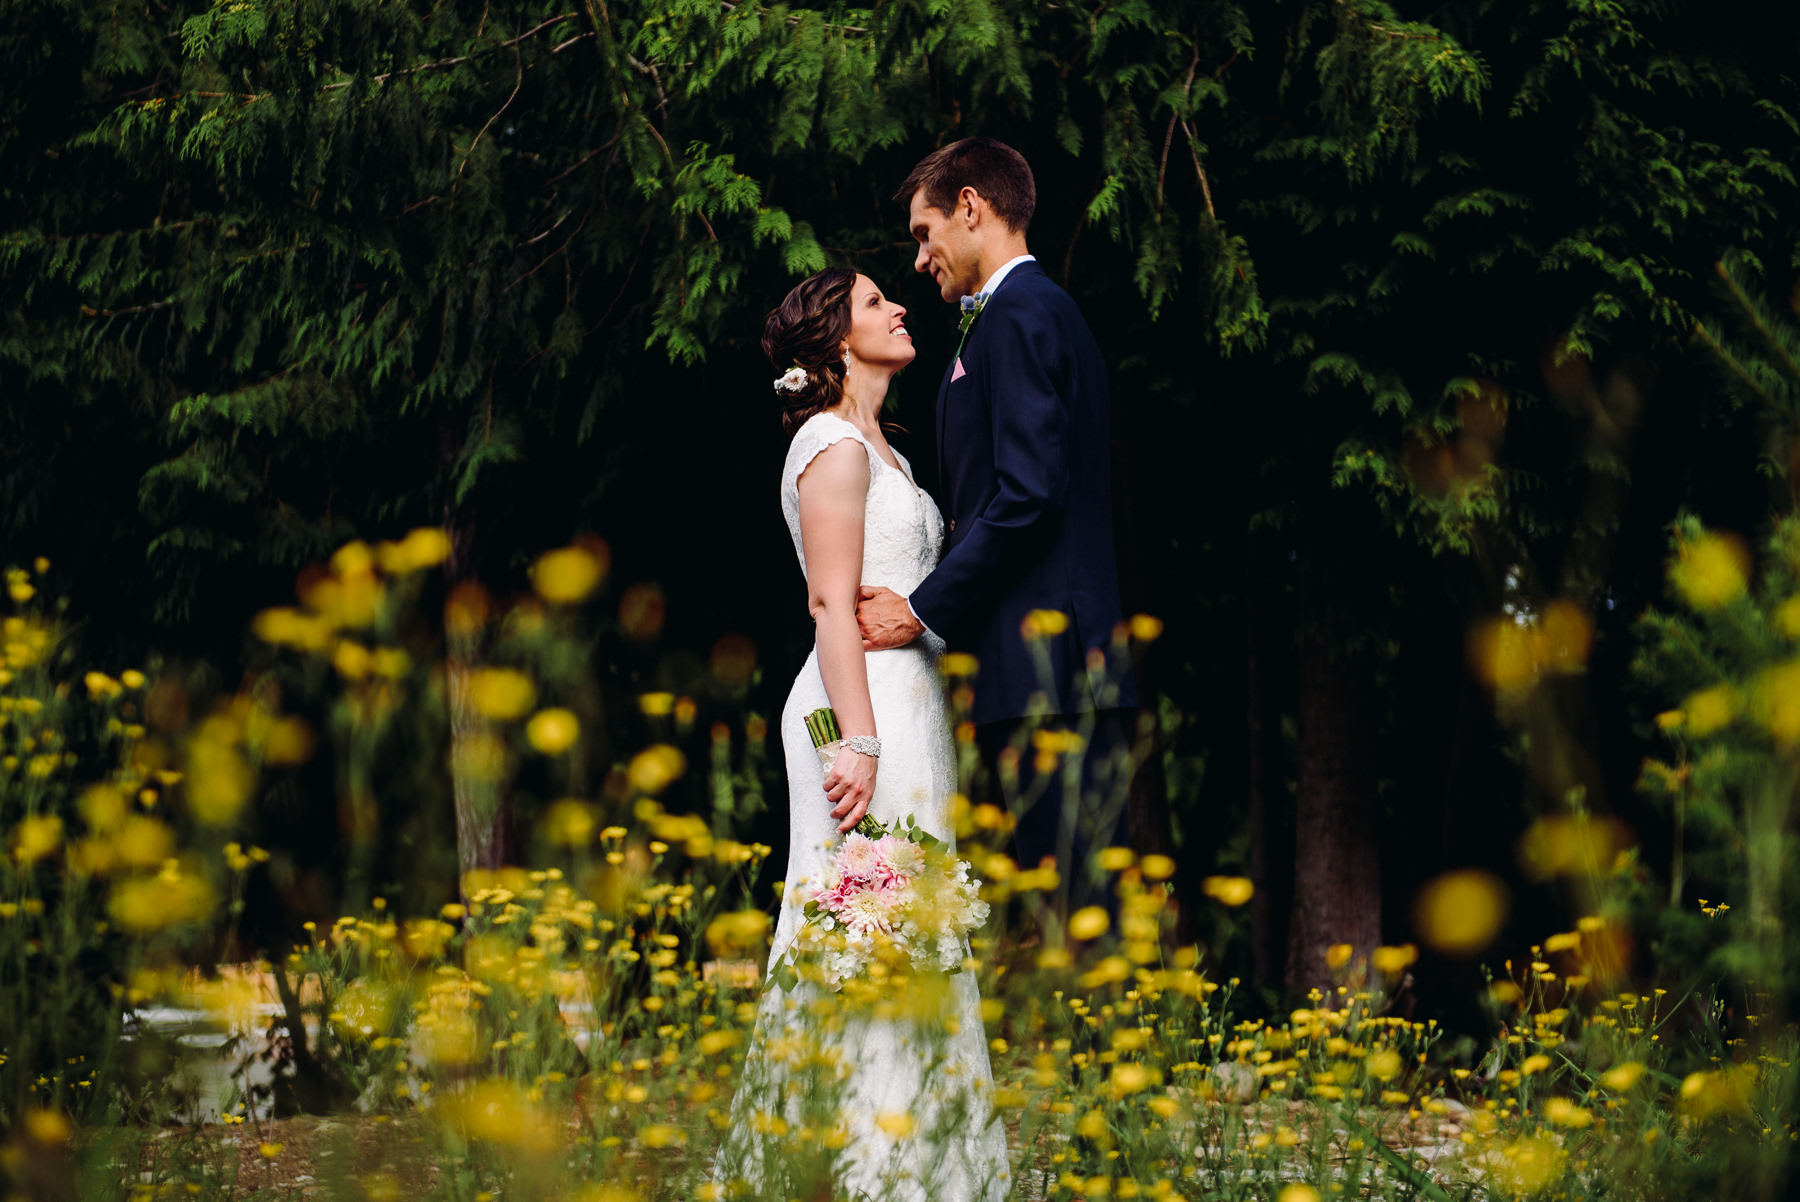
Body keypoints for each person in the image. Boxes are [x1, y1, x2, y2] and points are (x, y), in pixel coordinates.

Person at [718, 268, 1009, 1202]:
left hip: (909, 706)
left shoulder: (892, 452)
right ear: (839, 341)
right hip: (861, 712)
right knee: (855, 926)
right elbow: (827, 603)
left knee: (912, 930)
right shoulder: (831, 443)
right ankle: (841, 1169)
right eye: (876, 302)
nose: (898, 309)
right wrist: (861, 742)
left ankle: (924, 1163)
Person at [856, 137, 1138, 910]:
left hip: (1051, 675)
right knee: (1074, 913)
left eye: (924, 232)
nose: (919, 259)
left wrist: (919, 610)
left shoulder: (1019, 316)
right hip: (1051, 672)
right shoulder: (1028, 314)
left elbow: (1026, 495)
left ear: (971, 207)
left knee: (1078, 918)